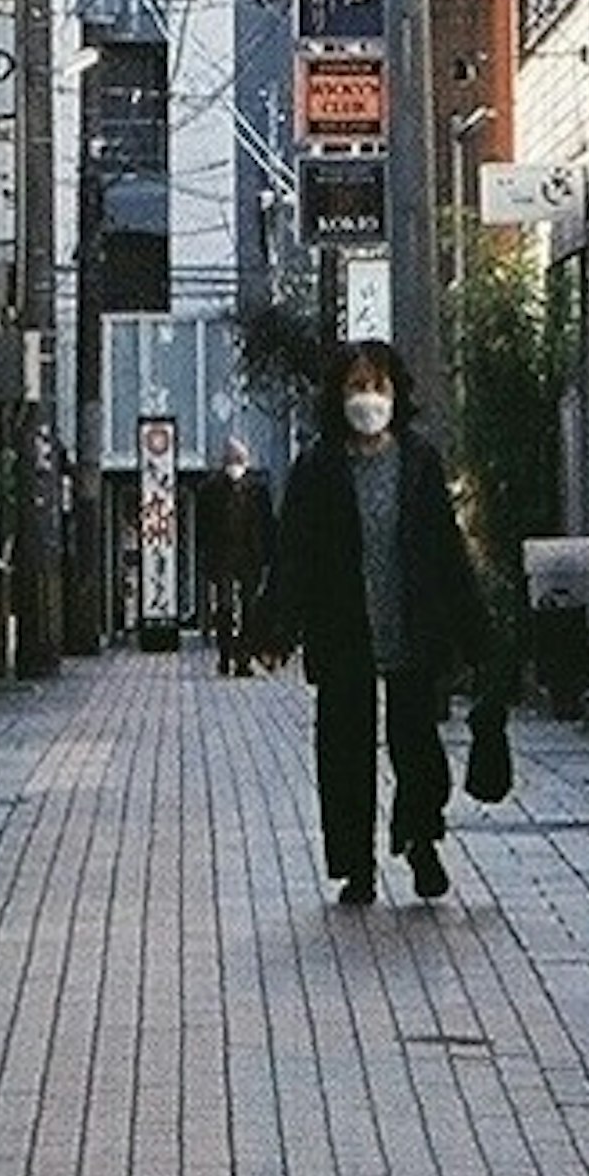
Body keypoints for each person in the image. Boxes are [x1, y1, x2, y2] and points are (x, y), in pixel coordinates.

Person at [260, 337, 490, 906]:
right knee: (344, 750)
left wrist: (477, 632)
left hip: (411, 622)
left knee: (418, 747)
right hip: (342, 628)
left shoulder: (418, 463)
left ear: (396, 393)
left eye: (378, 386)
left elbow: (445, 550)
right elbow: (294, 554)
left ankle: (421, 841)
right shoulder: (317, 467)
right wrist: (276, 626)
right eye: (356, 387)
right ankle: (355, 866)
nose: (368, 398)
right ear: (338, 397)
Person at [197, 431, 277, 673]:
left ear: (247, 460)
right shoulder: (210, 488)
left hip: (249, 556)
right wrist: (205, 555)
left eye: (239, 458)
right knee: (224, 607)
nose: (235, 463)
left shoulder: (258, 489)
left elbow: (267, 524)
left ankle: (243, 658)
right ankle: (224, 654)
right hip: (222, 555)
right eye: (231, 458)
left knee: (249, 608)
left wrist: (267, 556)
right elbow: (202, 525)